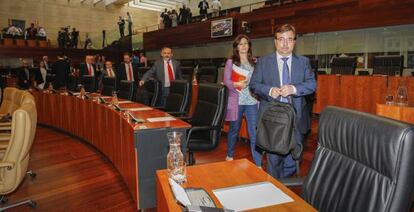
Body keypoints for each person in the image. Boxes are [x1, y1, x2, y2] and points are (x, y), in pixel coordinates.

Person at [249, 24, 316, 179]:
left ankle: (280, 183)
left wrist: (293, 88)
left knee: (293, 161)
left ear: (294, 42)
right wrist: (269, 90)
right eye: (281, 39)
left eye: (289, 39)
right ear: (275, 42)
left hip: (296, 120)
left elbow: (312, 84)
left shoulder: (303, 62)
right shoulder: (264, 62)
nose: (285, 44)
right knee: (274, 161)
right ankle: (275, 187)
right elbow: (254, 85)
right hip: (273, 120)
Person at [223, 35, 261, 166]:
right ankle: (229, 155)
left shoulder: (255, 61)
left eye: (246, 43)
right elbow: (226, 81)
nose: (244, 46)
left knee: (254, 131)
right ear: (236, 47)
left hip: (252, 101)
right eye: (241, 44)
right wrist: (236, 84)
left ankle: (258, 163)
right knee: (234, 129)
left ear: (249, 46)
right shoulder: (231, 62)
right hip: (237, 100)